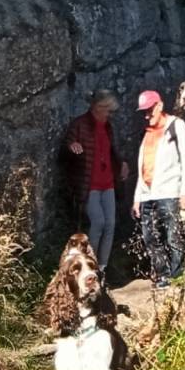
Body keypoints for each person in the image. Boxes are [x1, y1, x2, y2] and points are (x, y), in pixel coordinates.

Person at [61, 89, 129, 279]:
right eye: (108, 110)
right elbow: (64, 151)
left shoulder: (108, 127)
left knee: (110, 224)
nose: (110, 114)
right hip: (89, 184)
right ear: (98, 107)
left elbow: (111, 152)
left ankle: (103, 268)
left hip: (108, 183)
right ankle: (89, 264)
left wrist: (121, 164)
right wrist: (71, 147)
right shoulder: (80, 125)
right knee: (98, 222)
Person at [132, 89, 185, 288]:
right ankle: (162, 277)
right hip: (147, 194)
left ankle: (178, 279)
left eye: (149, 110)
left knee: (173, 237)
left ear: (159, 106)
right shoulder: (146, 132)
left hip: (170, 192)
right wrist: (137, 197)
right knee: (150, 237)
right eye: (144, 111)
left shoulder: (176, 125)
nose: (146, 115)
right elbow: (142, 166)